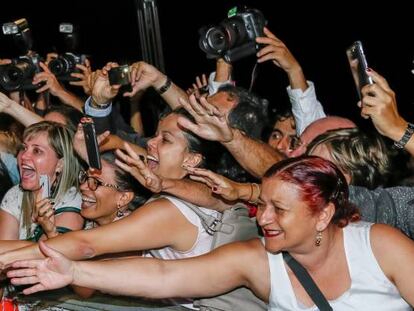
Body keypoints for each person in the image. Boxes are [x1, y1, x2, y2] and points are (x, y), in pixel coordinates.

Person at [7, 156, 414, 310]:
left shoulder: (380, 246)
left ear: (323, 215)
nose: (263, 217)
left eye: (279, 209)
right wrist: (75, 274)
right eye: (263, 205)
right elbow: (166, 277)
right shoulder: (259, 260)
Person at [1, 109, 259, 310]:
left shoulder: (171, 210)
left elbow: (86, 245)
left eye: (165, 140)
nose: (150, 143)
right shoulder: (189, 195)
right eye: (154, 135)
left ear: (191, 160)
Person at [0, 121, 84, 241]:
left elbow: (53, 253)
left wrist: (51, 232)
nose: (23, 156)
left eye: (37, 151)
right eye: (24, 148)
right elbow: (4, 248)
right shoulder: (15, 195)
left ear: (60, 164)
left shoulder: (72, 199)